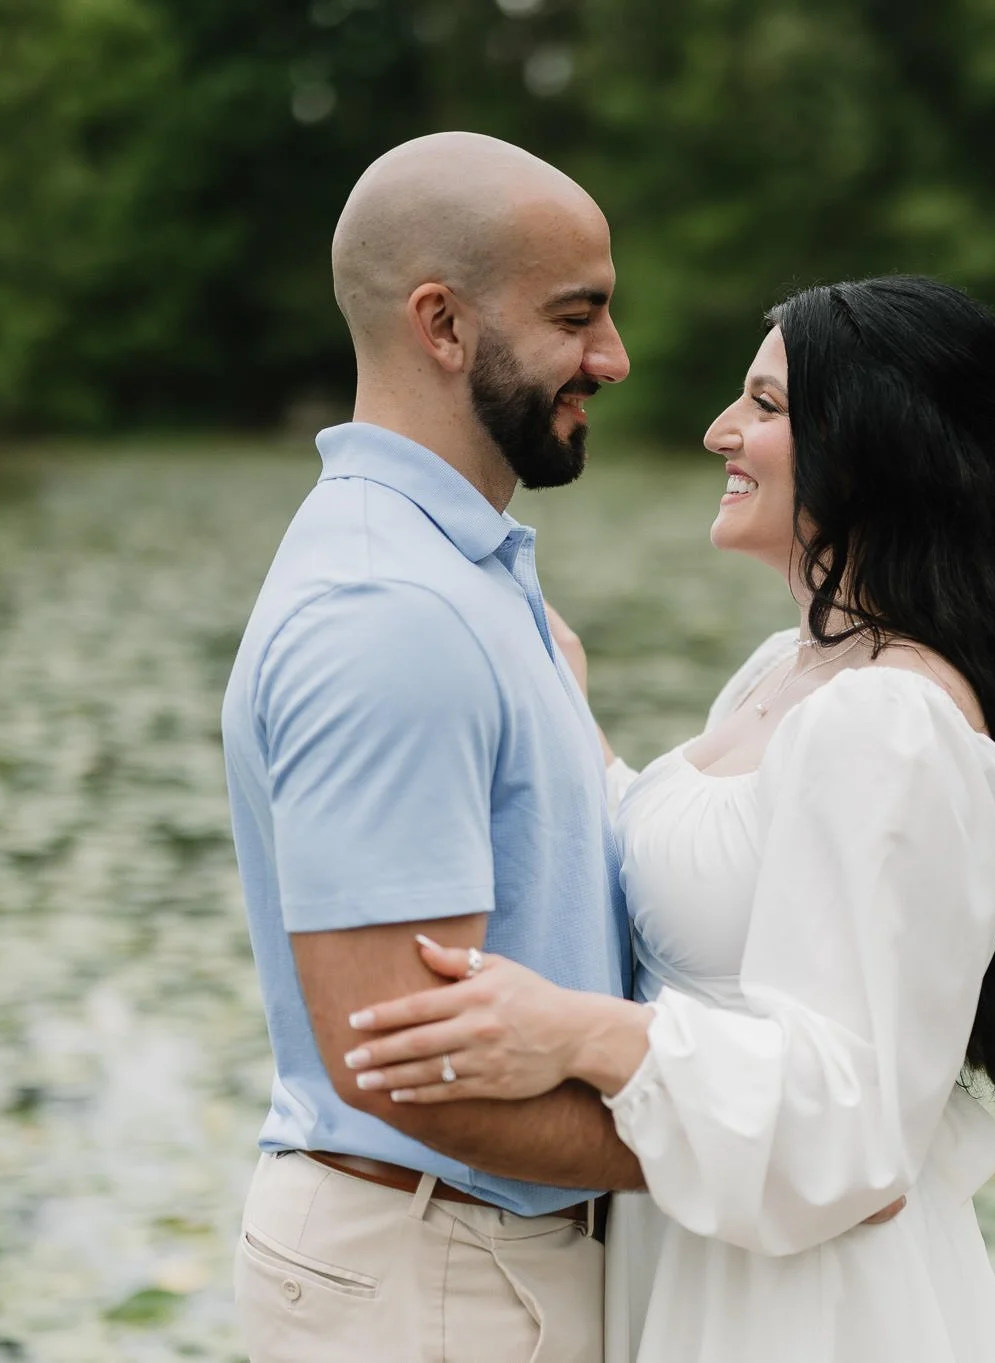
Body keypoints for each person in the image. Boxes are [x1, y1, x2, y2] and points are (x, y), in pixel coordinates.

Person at [340, 275, 995, 1361]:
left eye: (761, 405)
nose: (720, 431)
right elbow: (703, 886)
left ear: (870, 446)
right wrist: (558, 706)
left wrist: (576, 1034)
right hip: (698, 1245)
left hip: (805, 1307)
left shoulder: (888, 725)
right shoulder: (790, 667)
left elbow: (851, 1122)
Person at [219, 131, 642, 1362]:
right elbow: (402, 1066)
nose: (611, 360)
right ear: (441, 325)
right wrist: (725, 1142)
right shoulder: (389, 611)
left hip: (460, 1262)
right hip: (437, 1281)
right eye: (577, 317)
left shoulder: (455, 573)